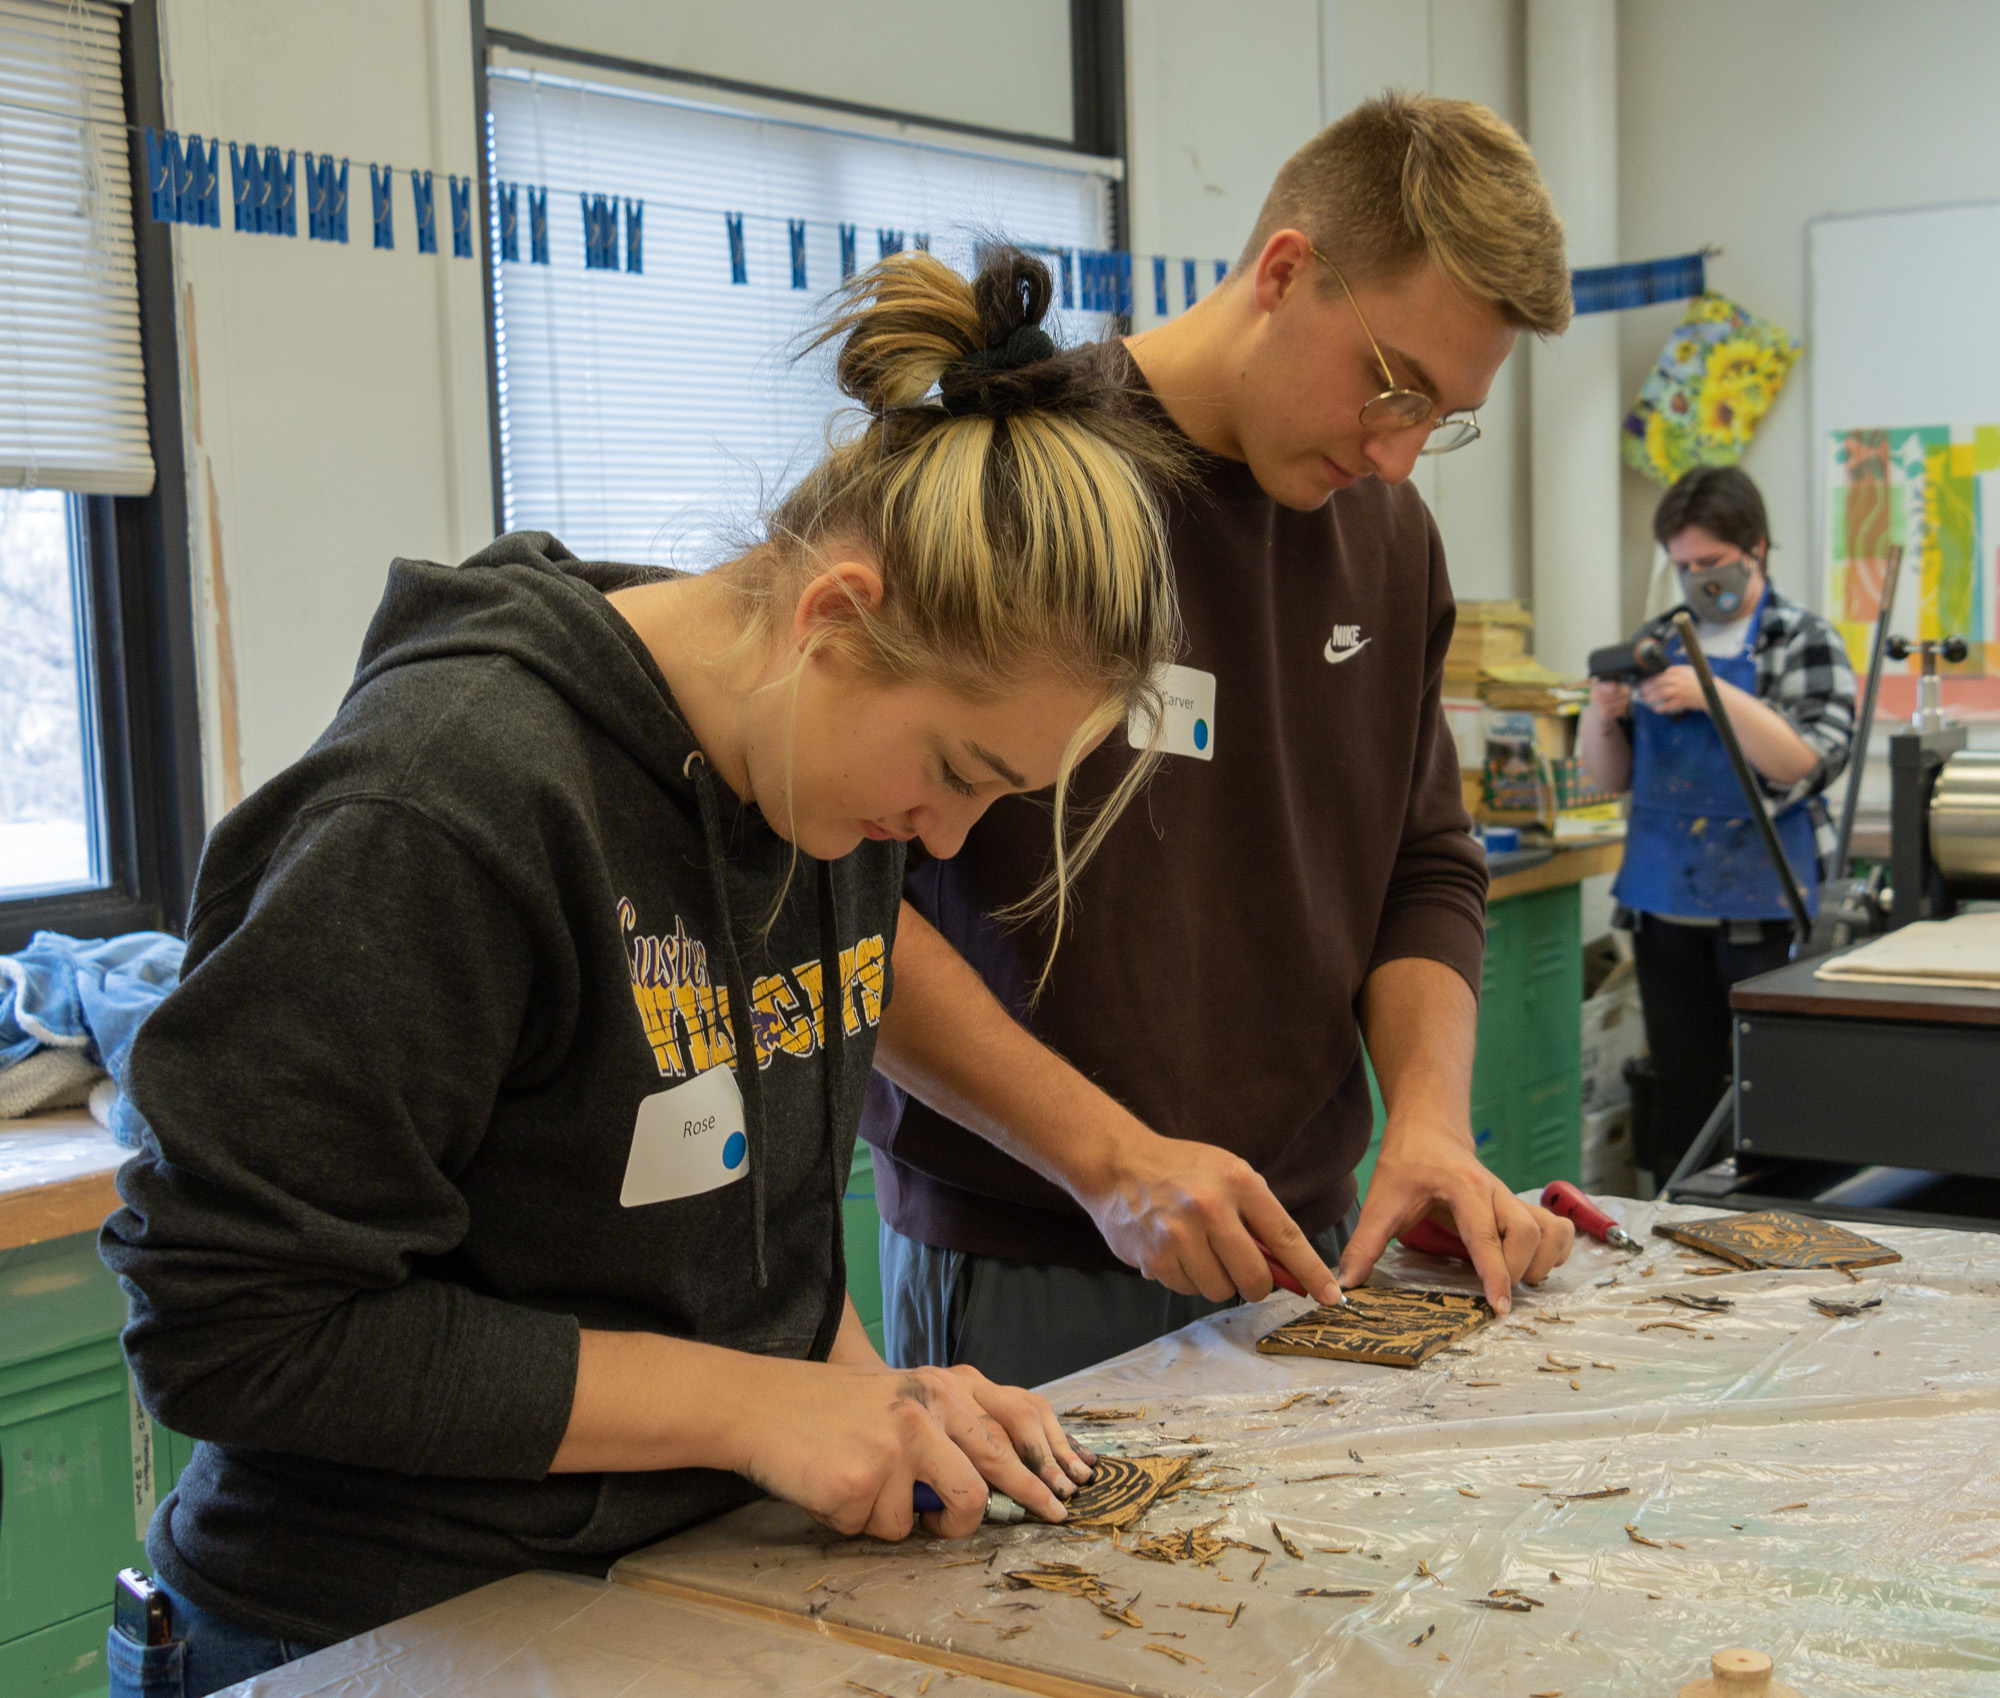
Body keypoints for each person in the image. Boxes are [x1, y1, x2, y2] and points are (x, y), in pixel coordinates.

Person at [98, 250, 1186, 1696]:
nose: (943, 835)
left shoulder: (819, 789)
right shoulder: (448, 798)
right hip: (368, 1631)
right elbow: (228, 1328)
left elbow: (749, 1248)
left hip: (666, 1591)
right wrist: (751, 1407)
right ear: (832, 620)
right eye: (955, 771)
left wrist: (876, 1397)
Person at [863, 93, 1580, 1392]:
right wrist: (1110, 1159)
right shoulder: (1015, 475)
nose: (1400, 455)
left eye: (1442, 416)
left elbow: (1423, 861)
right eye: (1393, 387)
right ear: (1287, 269)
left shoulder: (1387, 533)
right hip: (1035, 1255)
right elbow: (839, 900)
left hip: (1297, 1245)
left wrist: (1427, 1122)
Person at [1579, 464, 1855, 1175]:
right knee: (1684, 1087)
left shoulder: (1804, 640)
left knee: (1775, 1090)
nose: (1698, 579)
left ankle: (1778, 1224)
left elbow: (1806, 759)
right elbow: (1611, 778)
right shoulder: (1655, 643)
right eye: (1684, 566)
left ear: (1756, 548)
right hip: (1667, 899)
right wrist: (1601, 716)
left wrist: (1713, 694)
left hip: (1768, 899)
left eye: (1713, 563)